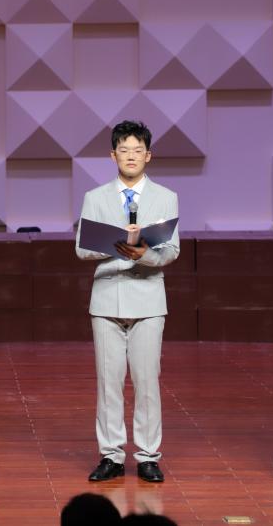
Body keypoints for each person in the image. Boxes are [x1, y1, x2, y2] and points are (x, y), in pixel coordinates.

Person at [75, 120, 180, 484]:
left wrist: (142, 253)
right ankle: (111, 455)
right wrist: (115, 246)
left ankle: (148, 456)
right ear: (113, 155)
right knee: (109, 382)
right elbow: (82, 248)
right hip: (107, 299)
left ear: (148, 155)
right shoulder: (95, 197)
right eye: (124, 150)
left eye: (138, 150)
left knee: (147, 382)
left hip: (148, 300)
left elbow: (172, 250)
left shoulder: (166, 197)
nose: (131, 156)